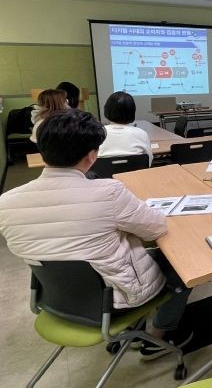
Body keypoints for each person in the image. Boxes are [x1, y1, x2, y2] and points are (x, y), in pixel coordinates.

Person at [0, 110, 192, 359]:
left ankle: (137, 329)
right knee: (184, 265)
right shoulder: (109, 192)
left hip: (57, 298)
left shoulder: (6, 203)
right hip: (115, 301)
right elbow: (156, 228)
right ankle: (158, 336)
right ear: (92, 156)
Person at [99, 91, 153, 165]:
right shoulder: (141, 134)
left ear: (107, 110)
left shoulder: (97, 133)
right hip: (135, 172)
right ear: (132, 112)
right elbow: (148, 161)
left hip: (102, 172)